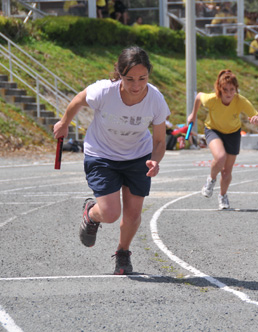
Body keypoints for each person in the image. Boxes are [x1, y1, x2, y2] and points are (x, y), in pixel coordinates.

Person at [52, 46, 170, 275]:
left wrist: (155, 161)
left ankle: (123, 253)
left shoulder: (155, 99)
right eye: (129, 79)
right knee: (110, 213)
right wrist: (65, 123)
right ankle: (91, 213)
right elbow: (78, 100)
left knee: (134, 213)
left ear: (149, 75)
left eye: (142, 78)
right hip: (102, 153)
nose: (136, 86)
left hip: (139, 156)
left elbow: (159, 142)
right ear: (119, 74)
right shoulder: (104, 92)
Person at [187, 69, 258, 209]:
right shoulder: (212, 99)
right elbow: (198, 96)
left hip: (233, 133)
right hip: (213, 130)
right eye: (225, 90)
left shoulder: (240, 101)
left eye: (232, 89)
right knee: (220, 156)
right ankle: (210, 180)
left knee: (227, 171)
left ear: (236, 89)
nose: (229, 93)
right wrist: (193, 115)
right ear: (219, 89)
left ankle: (222, 196)